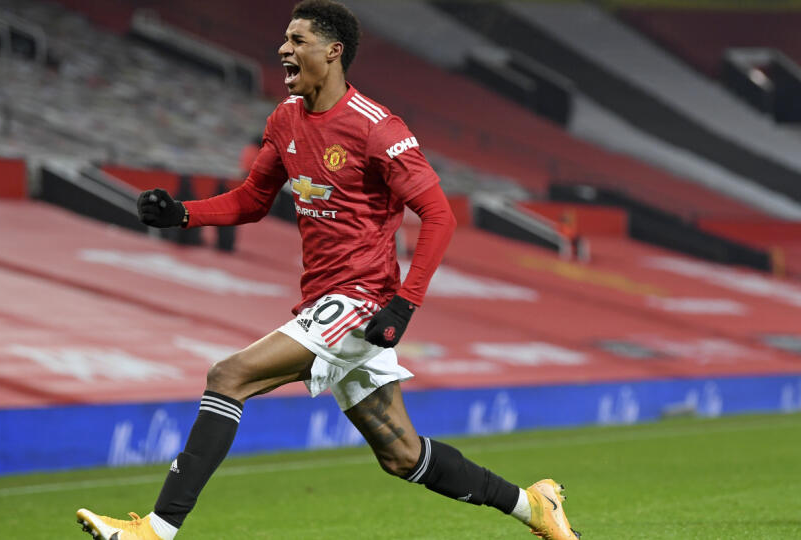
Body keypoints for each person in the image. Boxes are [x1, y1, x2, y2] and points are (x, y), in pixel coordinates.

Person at [76, 1, 580, 539]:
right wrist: (182, 214)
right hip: (327, 300)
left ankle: (156, 528)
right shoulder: (284, 119)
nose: (283, 50)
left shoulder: (377, 128)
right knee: (402, 455)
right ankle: (535, 506)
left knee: (229, 377)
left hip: (362, 299)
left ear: (333, 51)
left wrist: (403, 305)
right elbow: (251, 199)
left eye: (297, 40)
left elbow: (438, 215)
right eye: (285, 40)